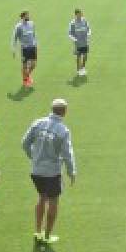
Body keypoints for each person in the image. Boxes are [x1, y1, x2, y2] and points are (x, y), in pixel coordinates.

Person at [23, 98, 77, 243]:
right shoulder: (63, 130)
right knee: (53, 201)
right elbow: (67, 154)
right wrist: (72, 172)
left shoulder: (38, 123)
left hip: (36, 170)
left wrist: (33, 156)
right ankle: (47, 236)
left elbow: (25, 143)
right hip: (52, 172)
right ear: (64, 112)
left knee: (41, 197)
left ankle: (37, 232)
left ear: (52, 109)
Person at [13, 11, 38, 87]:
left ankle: (27, 76)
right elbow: (14, 38)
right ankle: (25, 81)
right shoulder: (19, 26)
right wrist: (13, 49)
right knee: (24, 65)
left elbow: (34, 34)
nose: (28, 17)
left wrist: (36, 43)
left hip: (32, 47)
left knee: (33, 64)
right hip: (25, 48)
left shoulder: (31, 23)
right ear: (23, 16)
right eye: (27, 15)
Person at [68, 9, 91, 77]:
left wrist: (89, 34)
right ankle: (78, 69)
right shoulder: (72, 23)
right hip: (78, 43)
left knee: (85, 55)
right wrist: (75, 39)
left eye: (81, 14)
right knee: (78, 56)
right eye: (79, 14)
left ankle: (83, 67)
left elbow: (89, 29)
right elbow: (70, 33)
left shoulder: (85, 21)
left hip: (85, 41)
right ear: (76, 14)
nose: (81, 15)